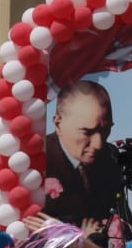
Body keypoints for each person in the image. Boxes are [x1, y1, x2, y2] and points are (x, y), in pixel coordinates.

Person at [45, 80, 121, 225]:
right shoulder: (39, 159)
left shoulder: (110, 157)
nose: (98, 144)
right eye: (87, 132)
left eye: (105, 130)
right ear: (58, 124)